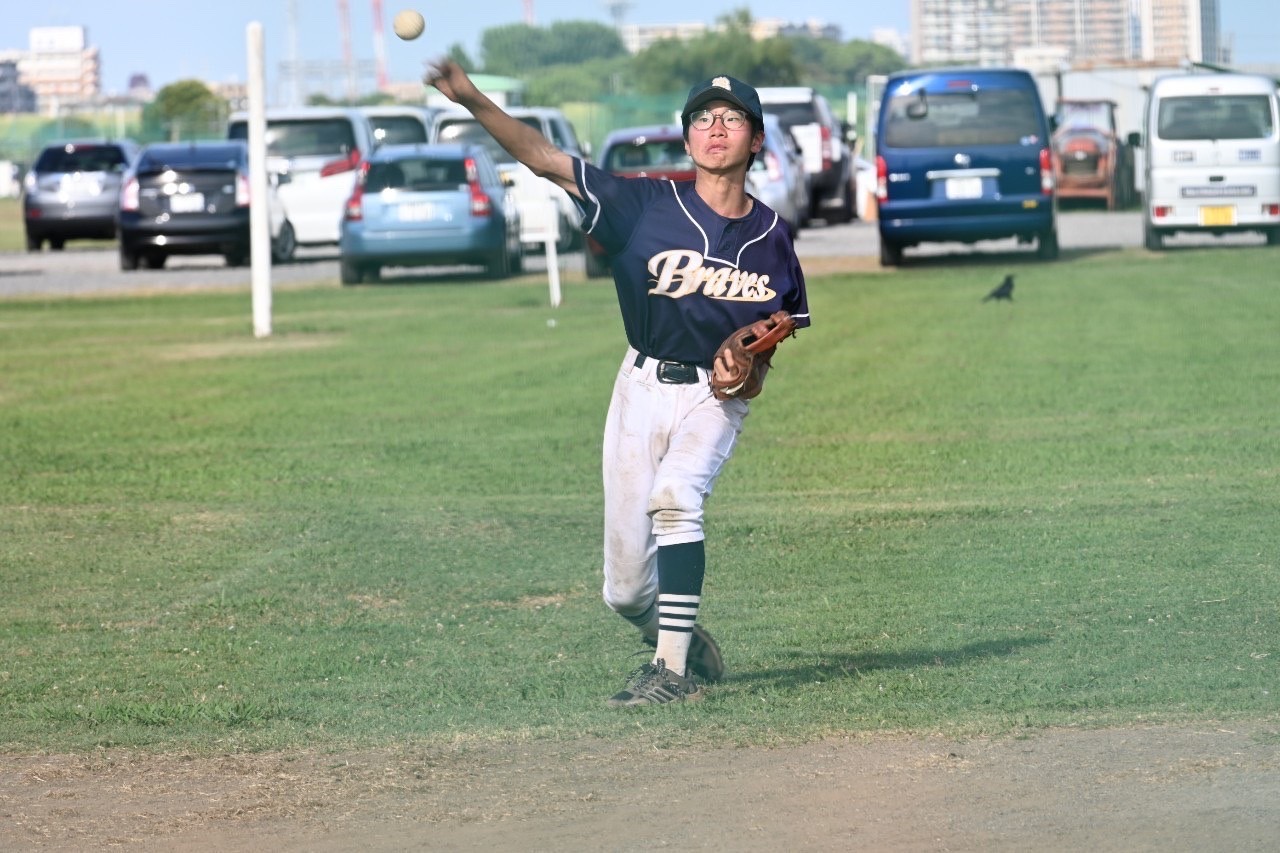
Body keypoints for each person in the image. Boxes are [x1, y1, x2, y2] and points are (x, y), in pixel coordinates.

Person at [427, 61, 811, 707]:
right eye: (702, 118)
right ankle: (680, 636)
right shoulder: (642, 204)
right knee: (626, 589)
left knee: (676, 497)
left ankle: (670, 671)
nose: (715, 127)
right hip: (639, 387)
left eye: (731, 117)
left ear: (756, 140)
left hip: (710, 401)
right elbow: (544, 157)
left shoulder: (774, 238)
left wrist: (752, 375)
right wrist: (470, 100)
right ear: (687, 140)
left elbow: (773, 332)